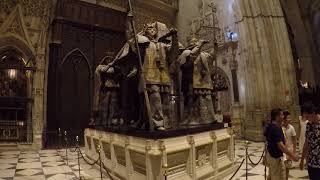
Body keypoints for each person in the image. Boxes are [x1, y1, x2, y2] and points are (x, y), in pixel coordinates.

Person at [264, 108, 298, 180]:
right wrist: (292, 155)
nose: (283, 116)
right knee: (278, 177)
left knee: (271, 175)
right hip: (275, 158)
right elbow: (281, 146)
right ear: (277, 117)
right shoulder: (276, 128)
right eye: (282, 115)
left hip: (271, 155)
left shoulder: (270, 126)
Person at [299, 104, 320, 180]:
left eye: (307, 117)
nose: (307, 119)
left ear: (313, 113)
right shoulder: (309, 125)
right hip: (311, 162)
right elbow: (306, 144)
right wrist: (302, 160)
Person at [282, 111, 297, 180]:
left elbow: (294, 141)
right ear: (284, 119)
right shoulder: (280, 127)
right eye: (288, 118)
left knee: (287, 168)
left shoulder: (291, 128)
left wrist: (294, 152)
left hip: (289, 151)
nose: (290, 119)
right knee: (281, 169)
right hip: (281, 151)